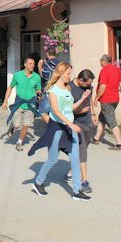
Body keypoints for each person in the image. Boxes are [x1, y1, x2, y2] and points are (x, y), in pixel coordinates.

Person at [28, 62, 91, 201]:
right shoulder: (52, 90)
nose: (70, 76)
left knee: (75, 158)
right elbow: (56, 111)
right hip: (57, 128)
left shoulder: (67, 89)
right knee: (52, 159)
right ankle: (38, 182)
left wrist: (82, 99)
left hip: (69, 127)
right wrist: (71, 124)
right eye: (68, 73)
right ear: (61, 73)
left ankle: (76, 191)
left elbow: (70, 108)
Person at [2, 56, 41, 151]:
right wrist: (5, 101)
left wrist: (39, 95)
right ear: (25, 65)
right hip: (19, 104)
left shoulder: (36, 77)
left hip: (30, 105)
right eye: (30, 63)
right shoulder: (17, 75)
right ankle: (12, 127)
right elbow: (10, 88)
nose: (32, 65)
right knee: (16, 125)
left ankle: (19, 142)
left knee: (25, 125)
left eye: (33, 64)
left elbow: (38, 89)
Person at [67, 69, 96, 193]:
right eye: (87, 83)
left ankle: (70, 172)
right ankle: (84, 182)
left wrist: (93, 115)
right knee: (82, 150)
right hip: (76, 124)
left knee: (82, 150)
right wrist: (78, 112)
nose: (89, 86)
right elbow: (66, 109)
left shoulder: (89, 87)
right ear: (80, 80)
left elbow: (90, 101)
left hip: (88, 124)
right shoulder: (69, 88)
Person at [94, 54, 121, 150]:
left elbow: (102, 86)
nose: (100, 63)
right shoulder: (117, 70)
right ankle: (96, 138)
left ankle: (119, 144)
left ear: (103, 61)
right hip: (115, 99)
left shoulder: (104, 70)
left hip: (106, 100)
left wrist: (96, 98)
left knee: (112, 122)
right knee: (102, 118)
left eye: (100, 61)